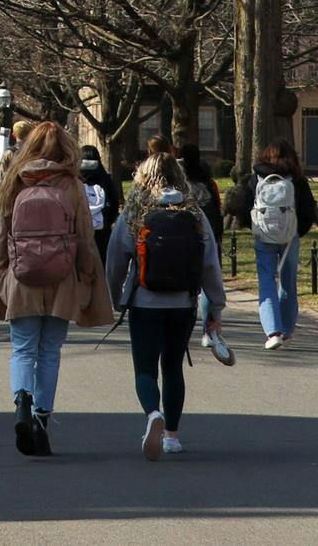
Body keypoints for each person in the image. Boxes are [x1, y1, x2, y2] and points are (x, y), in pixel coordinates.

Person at [0, 121, 113, 456]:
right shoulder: (71, 184)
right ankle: (41, 418)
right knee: (50, 351)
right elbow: (85, 235)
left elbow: (0, 234)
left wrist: (2, 271)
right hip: (62, 277)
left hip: (21, 275)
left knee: (23, 349)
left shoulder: (15, 180)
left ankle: (21, 398)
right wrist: (86, 273)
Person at [106, 147, 229, 461]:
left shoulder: (135, 210)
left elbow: (116, 258)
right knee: (173, 366)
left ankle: (152, 414)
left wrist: (114, 295)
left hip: (145, 301)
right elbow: (210, 261)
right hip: (183, 302)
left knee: (145, 369)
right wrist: (215, 304)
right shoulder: (193, 211)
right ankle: (172, 436)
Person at [223, 139, 318, 350]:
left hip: (264, 236)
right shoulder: (296, 180)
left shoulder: (256, 178)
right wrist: (298, 231)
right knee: (288, 283)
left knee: (266, 282)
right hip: (290, 237)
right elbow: (307, 209)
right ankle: (287, 330)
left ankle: (273, 331)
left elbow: (244, 205)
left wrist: (250, 226)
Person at [179, 142, 225, 339]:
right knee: (208, 281)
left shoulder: (179, 183)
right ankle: (208, 329)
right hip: (210, 234)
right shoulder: (209, 182)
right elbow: (217, 207)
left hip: (185, 237)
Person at [78, 144, 122, 262]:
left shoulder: (75, 180)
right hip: (102, 234)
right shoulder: (105, 179)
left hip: (79, 234)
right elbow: (114, 204)